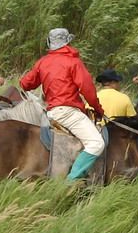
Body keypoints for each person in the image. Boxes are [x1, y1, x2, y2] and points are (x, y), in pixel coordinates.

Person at [20, 28, 105, 181]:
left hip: (51, 112)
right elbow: (88, 90)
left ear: (50, 43)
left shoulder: (43, 62)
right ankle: (71, 181)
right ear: (68, 42)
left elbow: (25, 84)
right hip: (68, 112)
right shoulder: (74, 62)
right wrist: (98, 109)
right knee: (96, 143)